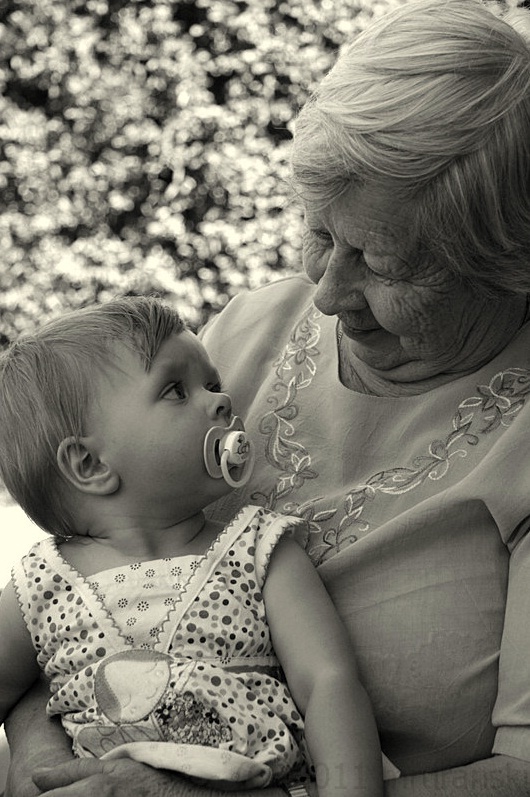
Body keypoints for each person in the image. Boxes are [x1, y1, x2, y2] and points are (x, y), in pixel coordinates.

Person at [4, 0, 530, 794]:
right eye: (319, 232)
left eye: (383, 265)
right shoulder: (247, 330)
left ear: (507, 262)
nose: (324, 295)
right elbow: (90, 594)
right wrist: (58, 770)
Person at [0, 295, 398, 797]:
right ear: (91, 466)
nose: (222, 401)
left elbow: (328, 683)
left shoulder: (259, 548)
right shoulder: (38, 584)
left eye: (212, 383)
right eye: (175, 390)